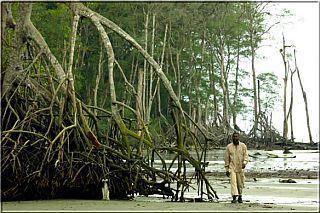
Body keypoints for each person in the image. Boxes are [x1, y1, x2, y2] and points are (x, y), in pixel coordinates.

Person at [224, 132, 249, 203]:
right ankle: (234, 197)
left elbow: (246, 156)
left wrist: (244, 163)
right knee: (233, 182)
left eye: (236, 137)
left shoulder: (243, 146)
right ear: (232, 138)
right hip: (232, 167)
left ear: (239, 137)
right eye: (234, 137)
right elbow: (226, 158)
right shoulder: (229, 147)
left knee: (240, 183)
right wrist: (226, 169)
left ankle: (240, 196)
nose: (235, 138)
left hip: (240, 167)